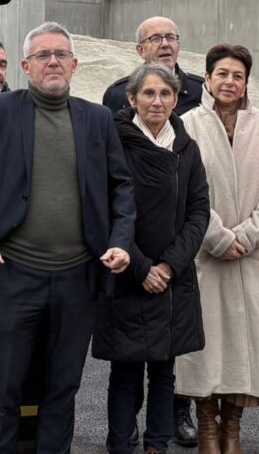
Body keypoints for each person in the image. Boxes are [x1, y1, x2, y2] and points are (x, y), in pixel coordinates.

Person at [0, 21, 137, 454]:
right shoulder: (1, 111)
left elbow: (122, 187)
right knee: (4, 386)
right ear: (26, 66)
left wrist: (119, 240)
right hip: (15, 273)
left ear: (75, 64)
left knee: (62, 387)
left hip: (79, 277)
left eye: (61, 54)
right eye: (43, 55)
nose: (54, 61)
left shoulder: (97, 119)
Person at [177, 44, 259, 454]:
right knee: (205, 348)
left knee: (246, 347)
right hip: (206, 254)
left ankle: (232, 428)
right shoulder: (187, 125)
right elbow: (184, 190)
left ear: (246, 83)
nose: (229, 82)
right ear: (206, 79)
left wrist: (249, 234)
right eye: (221, 73)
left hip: (252, 256)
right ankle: (207, 424)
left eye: (237, 75)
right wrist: (220, 237)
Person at [98, 64, 210, 454]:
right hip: (127, 271)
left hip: (172, 277)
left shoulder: (186, 147)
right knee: (125, 373)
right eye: (148, 93)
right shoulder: (114, 141)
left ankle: (156, 445)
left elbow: (199, 211)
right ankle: (120, 446)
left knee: (165, 373)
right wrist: (143, 267)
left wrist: (168, 266)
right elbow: (107, 211)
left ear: (177, 99)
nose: (157, 101)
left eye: (165, 94)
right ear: (131, 99)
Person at [103, 16, 207, 119]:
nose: (165, 44)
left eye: (170, 37)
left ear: (178, 46)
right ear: (141, 50)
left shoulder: (202, 90)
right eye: (155, 39)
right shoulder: (118, 94)